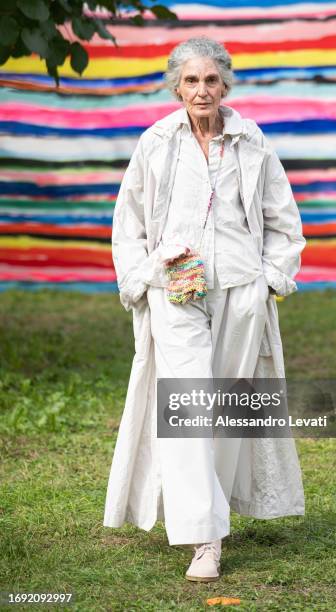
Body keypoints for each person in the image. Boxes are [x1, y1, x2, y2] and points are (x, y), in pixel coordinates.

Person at [103, 37, 306, 582]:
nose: (201, 90)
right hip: (177, 287)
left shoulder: (251, 140)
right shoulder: (156, 142)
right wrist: (141, 278)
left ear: (225, 85)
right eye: (191, 81)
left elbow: (283, 219)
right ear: (177, 87)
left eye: (210, 80)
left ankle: (206, 515)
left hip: (241, 290)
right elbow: (130, 224)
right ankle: (206, 540)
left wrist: (270, 278)